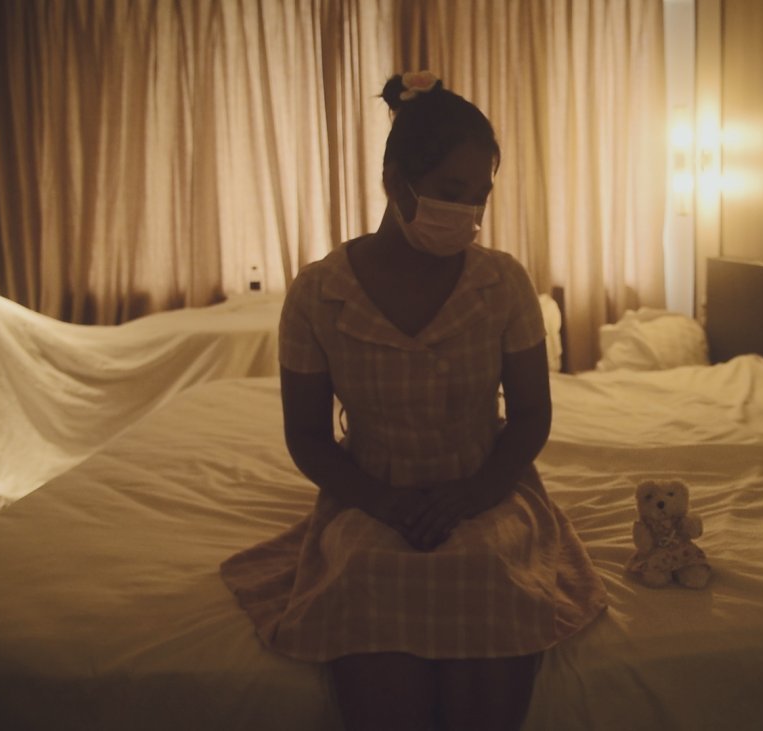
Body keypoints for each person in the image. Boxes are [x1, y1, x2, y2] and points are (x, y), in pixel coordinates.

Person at [220, 71, 607, 731]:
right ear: (397, 182)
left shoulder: (503, 282)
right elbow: (307, 437)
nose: (470, 214)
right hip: (370, 486)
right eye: (453, 193)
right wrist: (385, 501)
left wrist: (472, 493)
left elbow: (532, 415)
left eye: (480, 196)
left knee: (485, 566)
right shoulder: (319, 293)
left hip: (485, 483)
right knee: (368, 567)